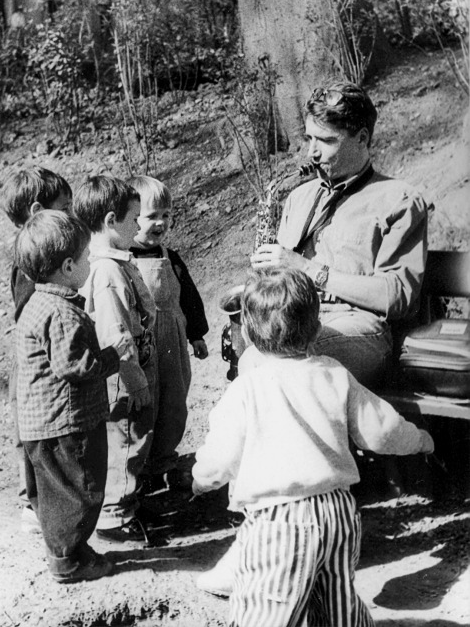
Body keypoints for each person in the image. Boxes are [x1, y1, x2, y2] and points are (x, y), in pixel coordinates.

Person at [192, 268, 434, 627]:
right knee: (337, 605)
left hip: (278, 520)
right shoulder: (334, 373)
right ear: (318, 329)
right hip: (337, 512)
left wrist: (201, 479)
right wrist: (420, 440)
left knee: (266, 609)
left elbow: (220, 456)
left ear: (245, 333)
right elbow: (381, 430)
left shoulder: (247, 388)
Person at [251, 81, 428, 387]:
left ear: (362, 138)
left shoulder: (399, 199)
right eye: (309, 139)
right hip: (298, 320)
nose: (312, 152)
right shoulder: (299, 197)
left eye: (326, 140)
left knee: (294, 363)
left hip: (358, 325)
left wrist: (308, 269)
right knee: (253, 359)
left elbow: (398, 297)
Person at [15, 210, 119, 583]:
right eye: (87, 255)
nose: (91, 260)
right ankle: (67, 560)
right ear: (69, 265)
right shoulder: (62, 313)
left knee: (57, 492)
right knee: (80, 489)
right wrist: (113, 356)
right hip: (64, 422)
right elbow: (77, 366)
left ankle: (68, 549)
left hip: (39, 422)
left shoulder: (38, 302)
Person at [73, 175, 158, 542]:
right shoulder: (107, 272)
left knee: (129, 438)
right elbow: (115, 334)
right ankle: (115, 517)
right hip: (123, 375)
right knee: (126, 440)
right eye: (134, 218)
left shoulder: (113, 262)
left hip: (130, 367)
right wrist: (136, 380)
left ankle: (125, 502)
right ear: (110, 221)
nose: (139, 224)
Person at [0, 166, 72, 534]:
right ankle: (34, 502)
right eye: (65, 207)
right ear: (36, 211)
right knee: (31, 427)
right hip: (33, 356)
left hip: (39, 350)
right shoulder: (31, 262)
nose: (71, 215)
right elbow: (33, 314)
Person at [129, 175, 209, 490]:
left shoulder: (170, 257)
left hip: (173, 340)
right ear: (128, 219)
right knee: (148, 403)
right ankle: (140, 467)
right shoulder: (124, 262)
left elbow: (188, 295)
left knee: (174, 400)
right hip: (144, 346)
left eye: (166, 215)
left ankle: (164, 460)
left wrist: (197, 334)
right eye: (152, 216)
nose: (161, 223)